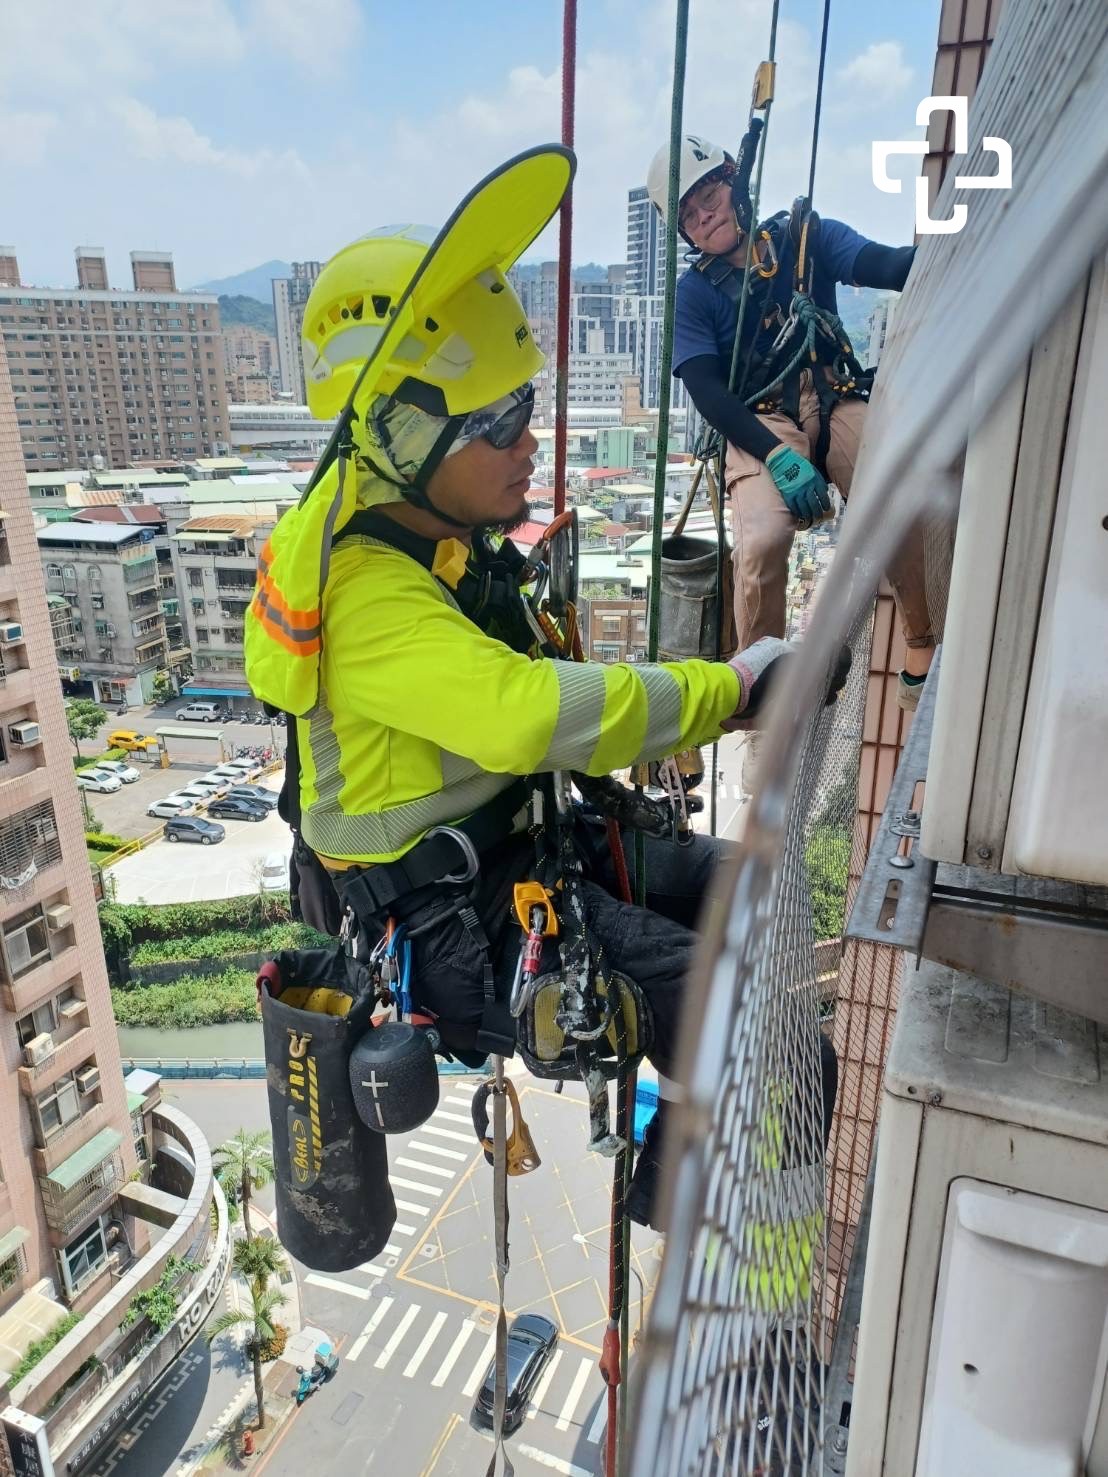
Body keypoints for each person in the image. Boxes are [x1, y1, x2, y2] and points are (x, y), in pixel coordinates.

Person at [245, 151, 842, 1231]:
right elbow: (527, 710)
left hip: (523, 851)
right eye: (500, 422)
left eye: (527, 408)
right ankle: (716, 1247)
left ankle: (692, 1157)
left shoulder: (446, 544)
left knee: (751, 893)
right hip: (454, 923)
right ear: (406, 435)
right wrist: (732, 684)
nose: (529, 440)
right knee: (773, 1041)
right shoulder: (367, 594)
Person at [647, 135, 935, 736]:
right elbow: (705, 388)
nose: (706, 215)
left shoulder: (806, 239)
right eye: (690, 214)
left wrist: (955, 246)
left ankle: (921, 640)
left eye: (711, 194)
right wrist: (775, 454)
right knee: (762, 539)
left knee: (894, 484)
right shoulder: (696, 291)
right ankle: (760, 690)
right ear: (684, 233)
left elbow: (885, 265)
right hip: (759, 420)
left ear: (737, 184)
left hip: (831, 394)